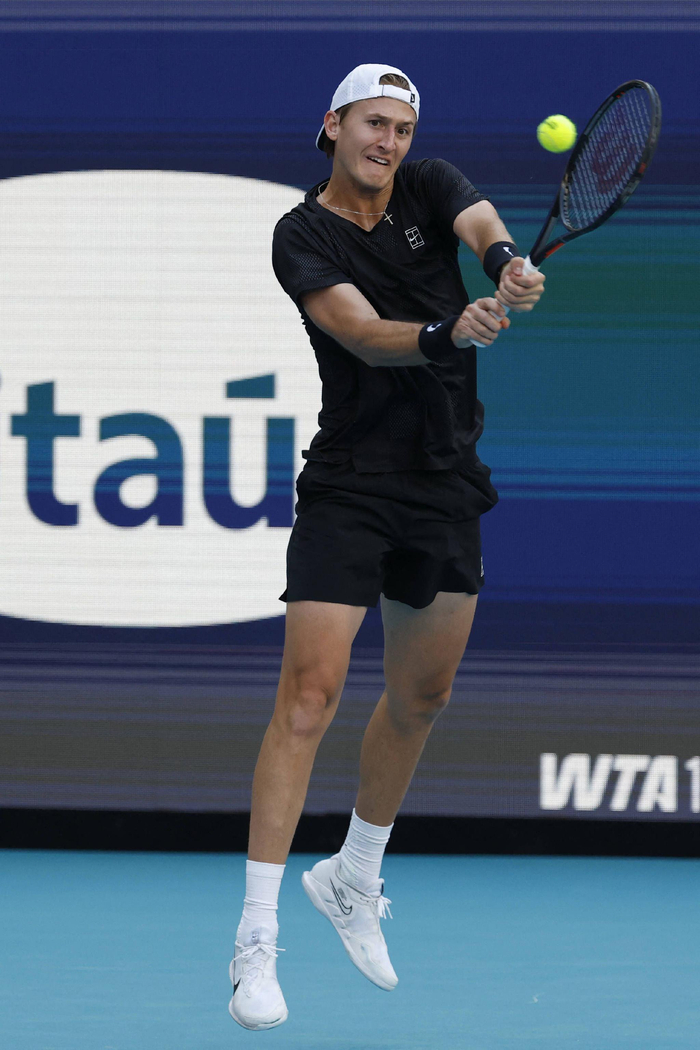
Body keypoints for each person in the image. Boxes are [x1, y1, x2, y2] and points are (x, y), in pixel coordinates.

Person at [229, 63, 545, 1030]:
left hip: (445, 477)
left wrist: (505, 267)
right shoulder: (301, 233)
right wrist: (453, 331)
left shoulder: (429, 184)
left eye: (402, 128)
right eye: (373, 124)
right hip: (351, 484)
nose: (389, 142)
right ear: (332, 125)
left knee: (423, 695)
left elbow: (481, 224)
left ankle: (354, 875)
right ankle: (254, 941)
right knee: (309, 697)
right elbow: (363, 334)